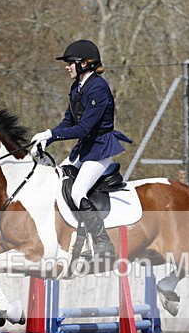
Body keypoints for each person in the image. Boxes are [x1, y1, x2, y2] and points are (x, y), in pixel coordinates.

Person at [30, 39, 132, 260]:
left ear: (85, 63)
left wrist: (51, 135)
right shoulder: (77, 87)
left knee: (77, 192)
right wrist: (47, 137)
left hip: (100, 150)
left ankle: (103, 244)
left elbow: (85, 128)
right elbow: (68, 122)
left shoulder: (98, 87)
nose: (67, 67)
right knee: (57, 181)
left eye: (70, 63)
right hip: (83, 150)